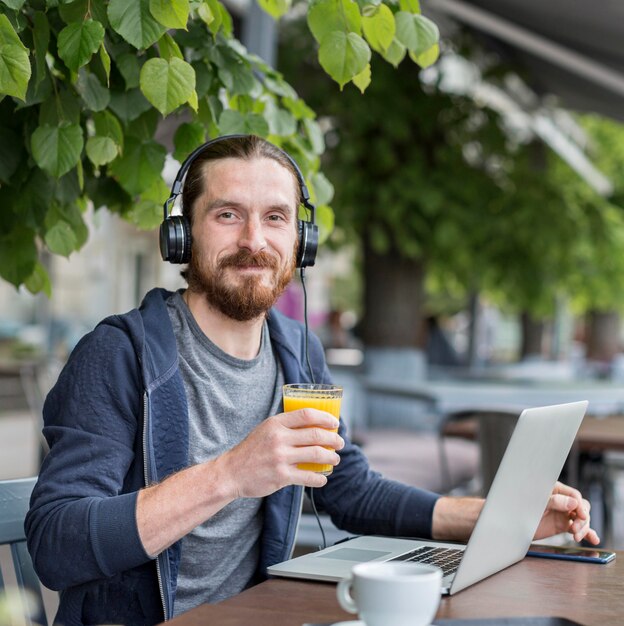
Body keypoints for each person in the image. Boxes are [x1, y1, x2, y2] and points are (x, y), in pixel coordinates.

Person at [25, 135, 598, 626]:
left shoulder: (297, 351)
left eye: (275, 217)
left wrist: (497, 517)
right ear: (182, 236)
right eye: (227, 214)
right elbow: (57, 544)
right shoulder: (117, 355)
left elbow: (348, 488)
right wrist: (230, 473)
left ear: (301, 243)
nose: (254, 240)